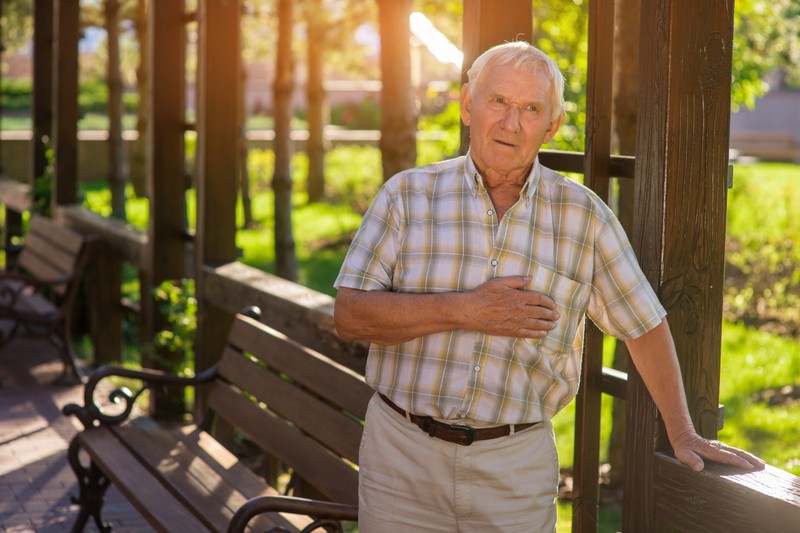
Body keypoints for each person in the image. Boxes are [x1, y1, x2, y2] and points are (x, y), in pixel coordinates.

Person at [333, 41, 764, 532]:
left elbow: (643, 323)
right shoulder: (406, 196)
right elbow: (350, 315)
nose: (511, 123)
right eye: (498, 101)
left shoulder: (584, 217)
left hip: (515, 469)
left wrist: (683, 432)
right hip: (401, 458)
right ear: (468, 105)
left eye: (531, 109)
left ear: (552, 126)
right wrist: (467, 310)